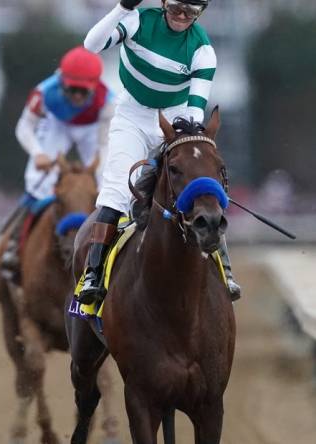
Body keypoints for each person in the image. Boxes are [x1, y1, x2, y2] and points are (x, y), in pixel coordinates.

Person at [78, 0, 240, 302]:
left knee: (200, 185)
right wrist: (123, 8)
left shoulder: (202, 50)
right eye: (177, 7)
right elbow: (91, 45)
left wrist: (186, 145)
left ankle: (225, 270)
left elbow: (195, 111)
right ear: (164, 2)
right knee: (116, 191)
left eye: (191, 12)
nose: (181, 16)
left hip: (177, 119)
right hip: (132, 117)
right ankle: (93, 272)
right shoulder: (138, 21)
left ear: (200, 13)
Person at [0, 46, 114, 281]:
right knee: (37, 183)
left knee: (108, 186)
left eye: (84, 92)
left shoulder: (109, 101)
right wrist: (37, 153)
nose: (77, 97)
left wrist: (100, 175)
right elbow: (24, 127)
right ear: (61, 80)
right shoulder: (43, 93)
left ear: (96, 86)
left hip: (92, 129)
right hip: (56, 124)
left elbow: (104, 145)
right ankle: (14, 245)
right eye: (72, 89)